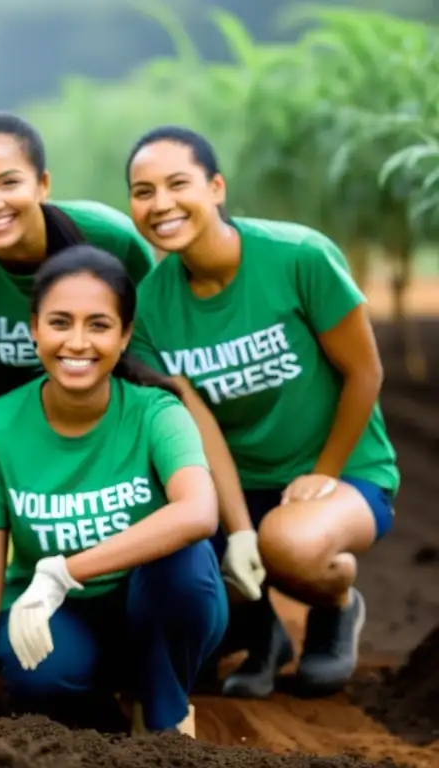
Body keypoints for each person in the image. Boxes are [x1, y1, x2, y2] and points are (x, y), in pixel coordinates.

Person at [124, 125, 400, 698]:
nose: (161, 204)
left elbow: (365, 372)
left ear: (217, 187)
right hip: (238, 481)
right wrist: (240, 530)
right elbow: (197, 426)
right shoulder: (148, 306)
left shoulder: (298, 256)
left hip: (343, 468)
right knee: (189, 550)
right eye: (143, 191)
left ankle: (336, 604)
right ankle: (263, 635)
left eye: (178, 184)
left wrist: (323, 474)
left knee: (290, 546)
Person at [0, 245, 226, 736]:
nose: (77, 342)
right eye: (60, 323)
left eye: (98, 325)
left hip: (154, 604)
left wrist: (64, 570)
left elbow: (199, 512)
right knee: (41, 679)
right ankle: (104, 704)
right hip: (60, 614)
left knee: (183, 567)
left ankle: (163, 712)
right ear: (34, 328)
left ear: (125, 335)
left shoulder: (156, 412)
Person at [0, 112, 156, 473]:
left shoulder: (113, 240)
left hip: (101, 399)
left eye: (8, 183)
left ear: (43, 184)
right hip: (3, 411)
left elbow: (149, 351)